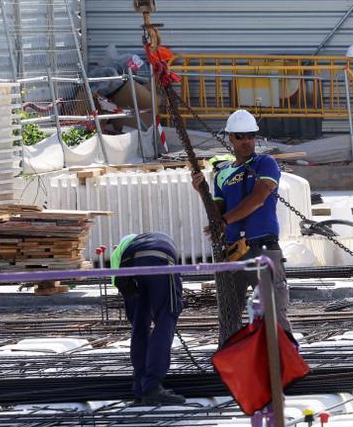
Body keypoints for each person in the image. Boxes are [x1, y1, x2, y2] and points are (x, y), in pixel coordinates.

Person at [192, 110, 291, 337]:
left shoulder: (266, 163)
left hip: (263, 248)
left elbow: (258, 198)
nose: (246, 141)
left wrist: (225, 221)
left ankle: (284, 368)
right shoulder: (222, 174)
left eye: (250, 136)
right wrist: (202, 192)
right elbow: (218, 212)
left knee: (274, 313)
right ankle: (231, 366)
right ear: (231, 138)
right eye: (240, 136)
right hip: (233, 251)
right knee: (229, 316)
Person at [110, 231, 187, 406]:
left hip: (128, 266)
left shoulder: (122, 250)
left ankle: (140, 388)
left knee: (139, 325)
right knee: (165, 319)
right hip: (160, 261)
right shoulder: (160, 241)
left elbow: (119, 284)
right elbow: (165, 298)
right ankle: (152, 387)